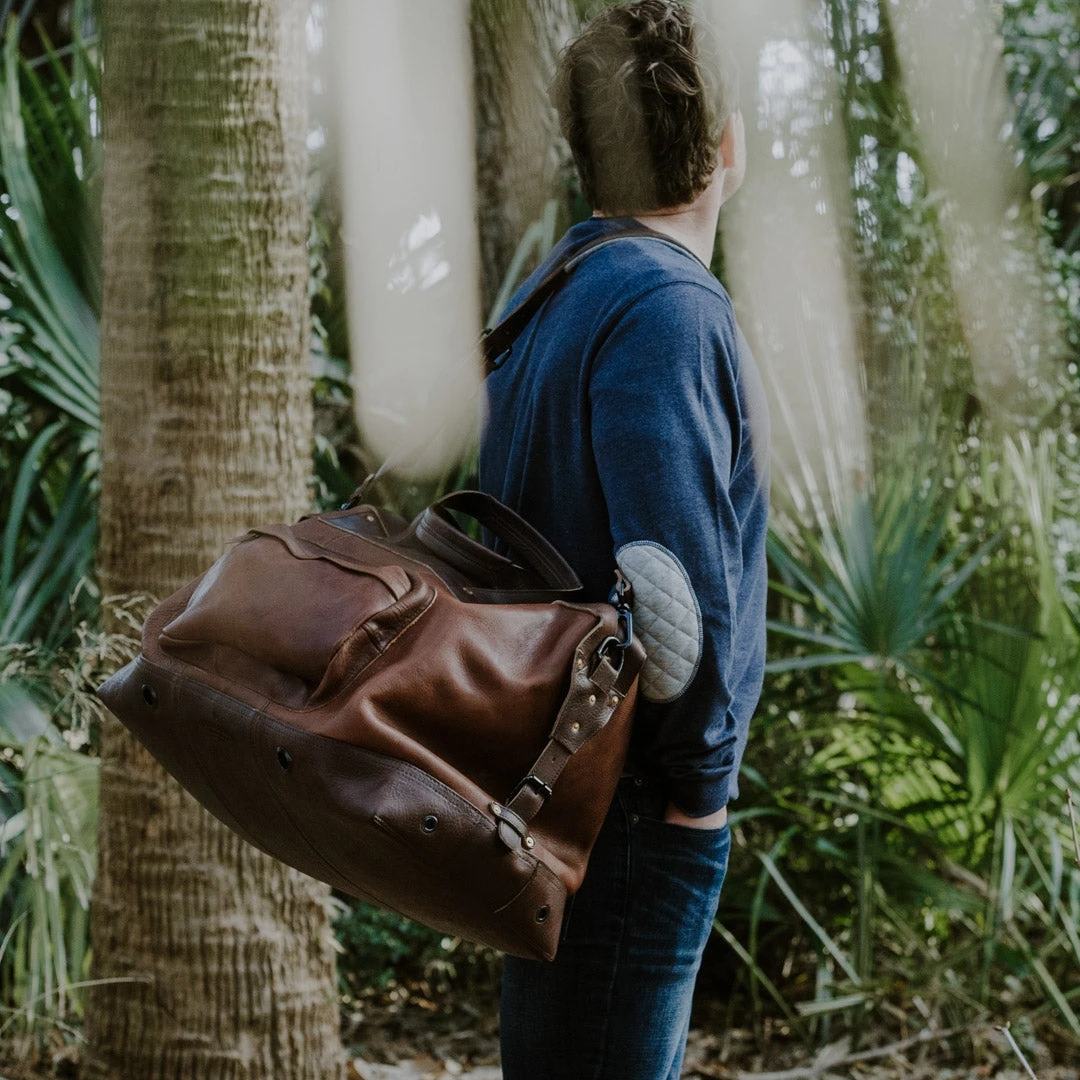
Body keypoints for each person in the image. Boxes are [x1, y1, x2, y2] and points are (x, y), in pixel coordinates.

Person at [478, 2, 769, 1077]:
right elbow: (676, 598)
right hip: (632, 807)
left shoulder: (554, 293)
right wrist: (700, 795)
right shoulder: (667, 308)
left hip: (554, 781)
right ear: (728, 145)